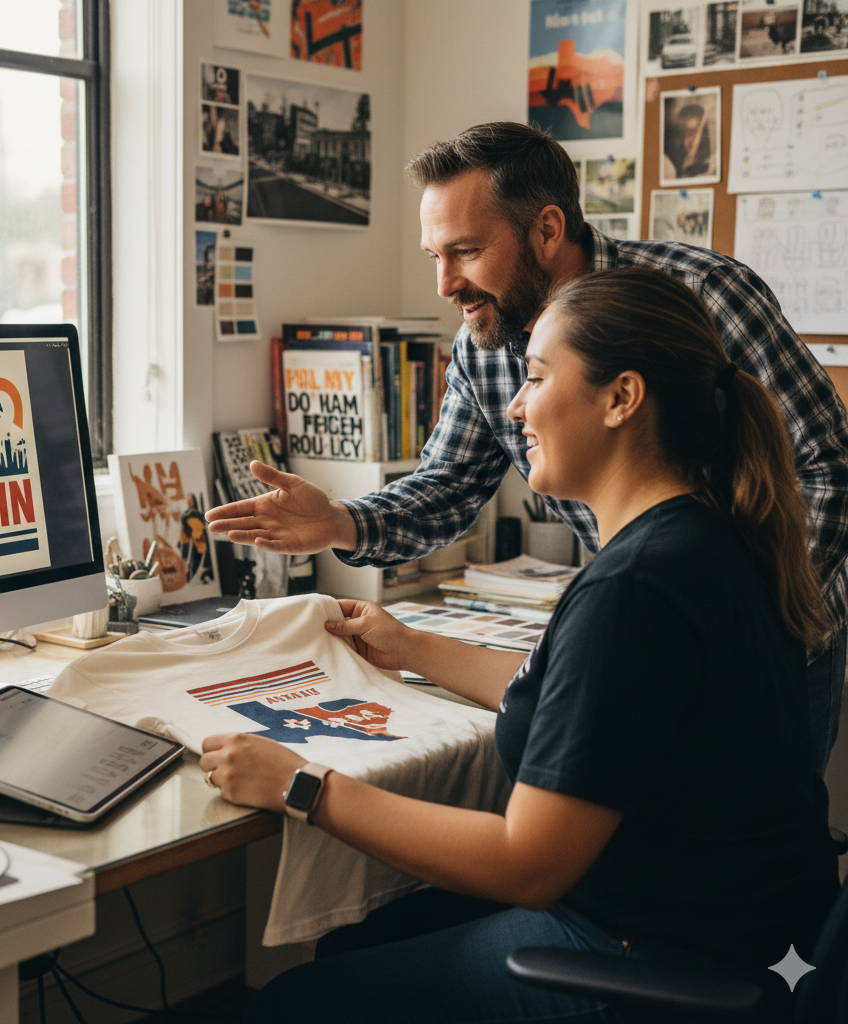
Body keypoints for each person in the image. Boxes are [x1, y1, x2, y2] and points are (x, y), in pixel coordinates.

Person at [201, 268, 840, 1024]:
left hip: (660, 959)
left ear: (622, 398)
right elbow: (591, 700)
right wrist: (410, 646)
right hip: (745, 937)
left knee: (288, 1005)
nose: (514, 406)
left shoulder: (635, 586)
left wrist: (301, 784)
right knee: (357, 941)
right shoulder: (704, 537)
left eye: (536, 377)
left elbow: (526, 863)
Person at [206, 121, 848, 774]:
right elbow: (450, 486)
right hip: (642, 628)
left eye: (465, 251)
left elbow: (828, 473)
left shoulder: (702, 295)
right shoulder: (484, 340)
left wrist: (739, 623)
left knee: (747, 826)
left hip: (767, 635)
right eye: (434, 256)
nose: (445, 284)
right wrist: (341, 521)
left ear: (546, 229)